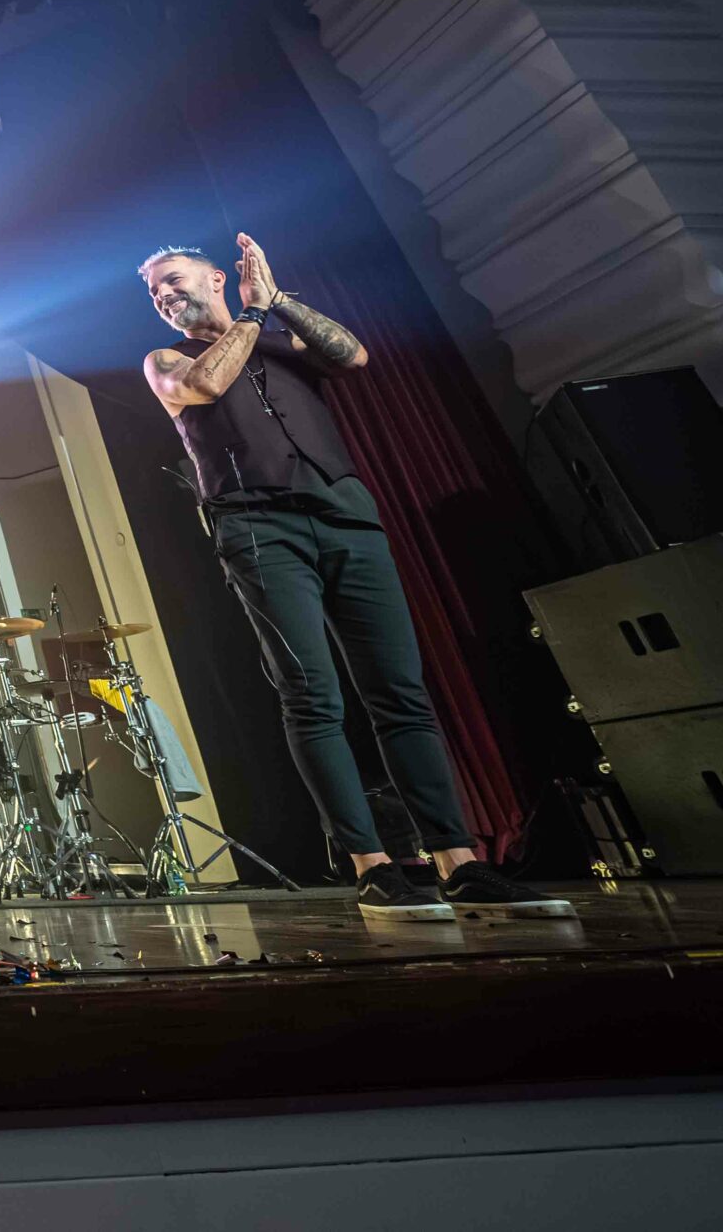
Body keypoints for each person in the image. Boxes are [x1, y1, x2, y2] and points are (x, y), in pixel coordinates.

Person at [141, 237, 572, 921]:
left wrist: (277, 302)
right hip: (257, 528)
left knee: (400, 691)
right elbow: (204, 387)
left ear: (216, 277)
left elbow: (354, 356)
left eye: (172, 279)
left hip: (345, 515)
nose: (164, 295)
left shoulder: (281, 340)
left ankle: (458, 862)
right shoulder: (167, 360)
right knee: (312, 696)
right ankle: (371, 867)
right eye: (154, 292)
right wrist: (250, 316)